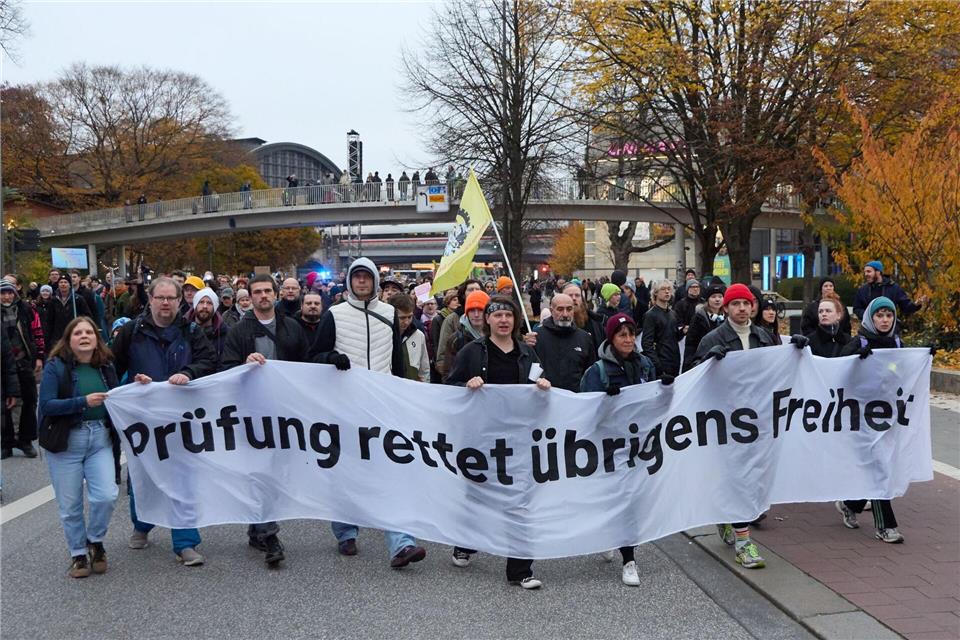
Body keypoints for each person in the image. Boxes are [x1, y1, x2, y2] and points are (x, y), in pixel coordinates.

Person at [309, 258, 428, 568]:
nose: (362, 282)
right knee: (347, 472)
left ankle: (401, 542)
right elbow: (314, 357)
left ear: (375, 281)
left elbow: (398, 362)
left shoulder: (389, 313)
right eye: (357, 277)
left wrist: (402, 394)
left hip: (382, 406)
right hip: (345, 406)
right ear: (350, 281)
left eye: (367, 277)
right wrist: (332, 357)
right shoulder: (334, 315)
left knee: (390, 471)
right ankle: (346, 531)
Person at [693, 284, 808, 569]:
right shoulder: (713, 338)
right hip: (726, 420)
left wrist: (796, 351)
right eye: (736, 304)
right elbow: (693, 377)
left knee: (751, 476)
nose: (742, 309)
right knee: (735, 476)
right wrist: (707, 361)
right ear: (726, 308)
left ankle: (728, 516)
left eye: (747, 303)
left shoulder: (763, 337)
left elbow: (775, 373)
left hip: (758, 420)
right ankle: (744, 543)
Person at [446, 295, 551, 589]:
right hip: (481, 438)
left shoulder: (527, 354)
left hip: (517, 438)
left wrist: (543, 386)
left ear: (515, 320)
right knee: (477, 494)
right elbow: (448, 388)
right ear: (487, 320)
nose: (503, 320)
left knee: (519, 500)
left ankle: (520, 569)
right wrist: (465, 385)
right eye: (497, 315)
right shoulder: (471, 352)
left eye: (508, 315)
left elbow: (540, 384)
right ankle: (466, 543)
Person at [111, 277, 217, 567]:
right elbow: (111, 366)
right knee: (143, 476)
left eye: (172, 298)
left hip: (181, 419)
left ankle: (185, 543)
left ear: (179, 301)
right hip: (143, 420)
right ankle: (142, 524)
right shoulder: (132, 332)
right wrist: (128, 384)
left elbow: (209, 361)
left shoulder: (191, 331)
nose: (166, 303)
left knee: (182, 478)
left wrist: (189, 372)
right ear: (151, 299)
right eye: (161, 298)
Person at [221, 274, 310, 566]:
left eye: (267, 291)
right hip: (252, 412)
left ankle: (256, 528)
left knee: (274, 470)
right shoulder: (238, 331)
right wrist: (243, 365)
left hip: (284, 412)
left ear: (276, 294)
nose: (262, 296)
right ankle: (271, 535)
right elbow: (226, 368)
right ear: (248, 297)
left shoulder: (291, 328)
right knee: (261, 472)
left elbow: (306, 367)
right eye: (256, 292)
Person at [38, 317, 120, 578]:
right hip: (66, 443)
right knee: (70, 504)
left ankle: (95, 540)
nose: (84, 336)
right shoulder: (56, 367)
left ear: (96, 339)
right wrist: (82, 402)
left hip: (99, 440)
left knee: (106, 495)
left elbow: (118, 397)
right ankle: (78, 554)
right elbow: (48, 405)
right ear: (68, 339)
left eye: (89, 332)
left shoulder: (105, 366)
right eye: (78, 333)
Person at [579, 313, 657, 586]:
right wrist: (606, 403)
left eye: (630, 334)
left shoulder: (645, 365)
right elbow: (586, 413)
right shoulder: (597, 371)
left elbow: (653, 402)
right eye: (621, 334)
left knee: (632, 500)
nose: (627, 339)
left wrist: (667, 389)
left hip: (639, 445)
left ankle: (622, 546)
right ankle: (628, 558)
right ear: (611, 338)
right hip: (609, 447)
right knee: (620, 499)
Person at [837, 297, 913, 543]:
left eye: (889, 315)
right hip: (861, 416)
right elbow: (837, 373)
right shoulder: (858, 341)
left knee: (881, 467)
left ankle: (851, 503)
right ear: (871, 318)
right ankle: (885, 526)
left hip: (889, 415)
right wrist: (856, 359)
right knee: (880, 468)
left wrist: (924, 357)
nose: (884, 320)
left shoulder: (899, 343)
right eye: (879, 315)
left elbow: (903, 372)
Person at [1, 280, 45, 458]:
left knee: (29, 400)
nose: (6, 296)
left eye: (9, 292)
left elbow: (38, 332)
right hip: (3, 364)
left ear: (15, 293)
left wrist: (40, 356)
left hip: (24, 361)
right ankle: (6, 443)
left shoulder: (26, 310)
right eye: (3, 293)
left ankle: (26, 441)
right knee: (5, 404)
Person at [533, 293, 596, 392]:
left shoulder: (584, 338)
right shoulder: (537, 337)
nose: (565, 314)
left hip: (575, 400)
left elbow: (590, 373)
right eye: (560, 309)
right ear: (551, 311)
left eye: (569, 309)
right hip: (544, 398)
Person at [436, 279, 483, 378]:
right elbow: (443, 356)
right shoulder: (451, 320)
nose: (474, 292)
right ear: (463, 294)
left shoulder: (493, 323)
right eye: (471, 289)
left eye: (477, 289)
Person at [853, 260, 922, 322]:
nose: (866, 274)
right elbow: (857, 309)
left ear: (878, 272)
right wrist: (869, 316)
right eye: (865, 272)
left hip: (889, 328)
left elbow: (905, 307)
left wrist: (915, 305)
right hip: (868, 329)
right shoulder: (862, 290)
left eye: (869, 271)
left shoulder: (894, 288)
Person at [641, 280, 682, 379]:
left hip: (674, 361)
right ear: (655, 292)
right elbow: (646, 343)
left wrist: (682, 332)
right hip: (661, 363)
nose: (667, 292)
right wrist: (658, 366)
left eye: (669, 289)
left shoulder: (673, 313)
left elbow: (674, 337)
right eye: (663, 289)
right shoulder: (650, 315)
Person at [681, 283, 725, 372]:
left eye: (720, 296)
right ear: (707, 300)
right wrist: (689, 366)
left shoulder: (727, 317)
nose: (717, 299)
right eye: (713, 297)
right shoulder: (699, 317)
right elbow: (691, 344)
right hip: (703, 361)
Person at [390, 294, 430, 382]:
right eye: (402, 318)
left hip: (413, 387)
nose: (407, 322)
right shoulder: (385, 335)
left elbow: (424, 367)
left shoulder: (419, 335)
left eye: (410, 317)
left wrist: (425, 386)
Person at [186, 287, 229, 365]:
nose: (205, 306)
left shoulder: (226, 333)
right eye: (201, 302)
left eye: (209, 303)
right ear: (195, 305)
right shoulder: (183, 329)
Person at [48, 275, 92, 347]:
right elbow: (50, 320)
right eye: (61, 282)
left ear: (69, 285)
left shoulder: (78, 299)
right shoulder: (53, 300)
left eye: (65, 282)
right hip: (58, 336)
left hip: (75, 333)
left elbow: (87, 315)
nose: (63, 284)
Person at [805, 293, 850, 358]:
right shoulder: (809, 342)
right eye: (820, 311)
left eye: (828, 311)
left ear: (838, 315)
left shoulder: (848, 341)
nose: (823, 314)